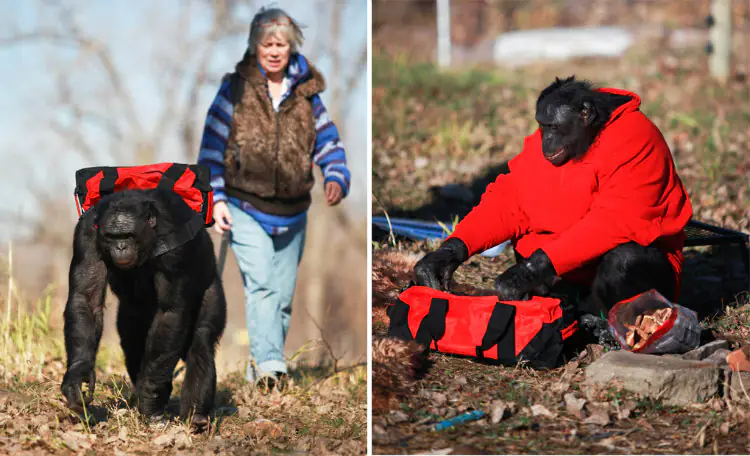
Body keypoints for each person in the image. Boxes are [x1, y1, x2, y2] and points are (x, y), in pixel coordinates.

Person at [414, 76, 693, 324]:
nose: (546, 141)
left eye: (555, 129)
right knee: (531, 244)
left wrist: (534, 269)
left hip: (634, 273)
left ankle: (602, 318)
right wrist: (453, 249)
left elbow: (613, 223)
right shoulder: (558, 137)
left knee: (625, 260)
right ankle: (574, 309)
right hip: (570, 268)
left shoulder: (634, 137)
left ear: (585, 115)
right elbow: (510, 200)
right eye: (543, 127)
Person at [197, 6, 350, 390]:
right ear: (255, 46)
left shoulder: (307, 95)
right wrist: (214, 201)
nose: (275, 50)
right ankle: (270, 367)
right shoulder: (235, 90)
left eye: (281, 43)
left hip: (294, 212)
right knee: (262, 285)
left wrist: (335, 175)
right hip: (244, 205)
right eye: (267, 43)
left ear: (291, 46)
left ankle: (261, 366)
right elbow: (211, 150)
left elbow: (328, 142)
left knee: (280, 297)